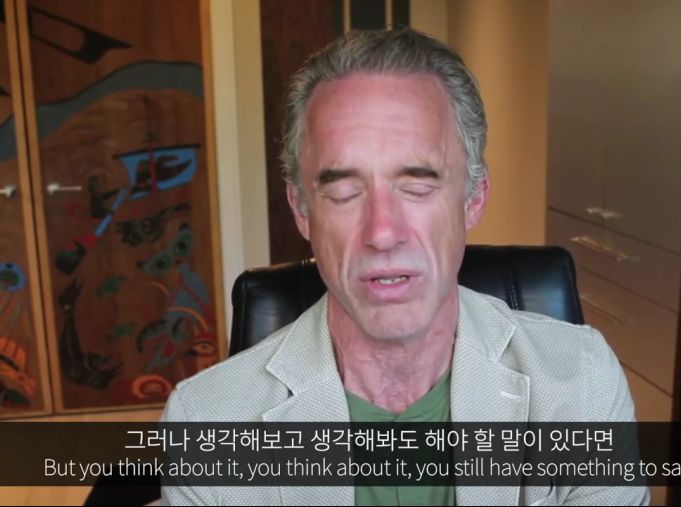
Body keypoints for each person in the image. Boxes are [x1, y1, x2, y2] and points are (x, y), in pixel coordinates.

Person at [161, 27, 648, 506]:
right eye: (344, 191)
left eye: (417, 186)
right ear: (301, 209)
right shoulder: (204, 424)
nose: (382, 232)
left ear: (473, 197)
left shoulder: (582, 382)